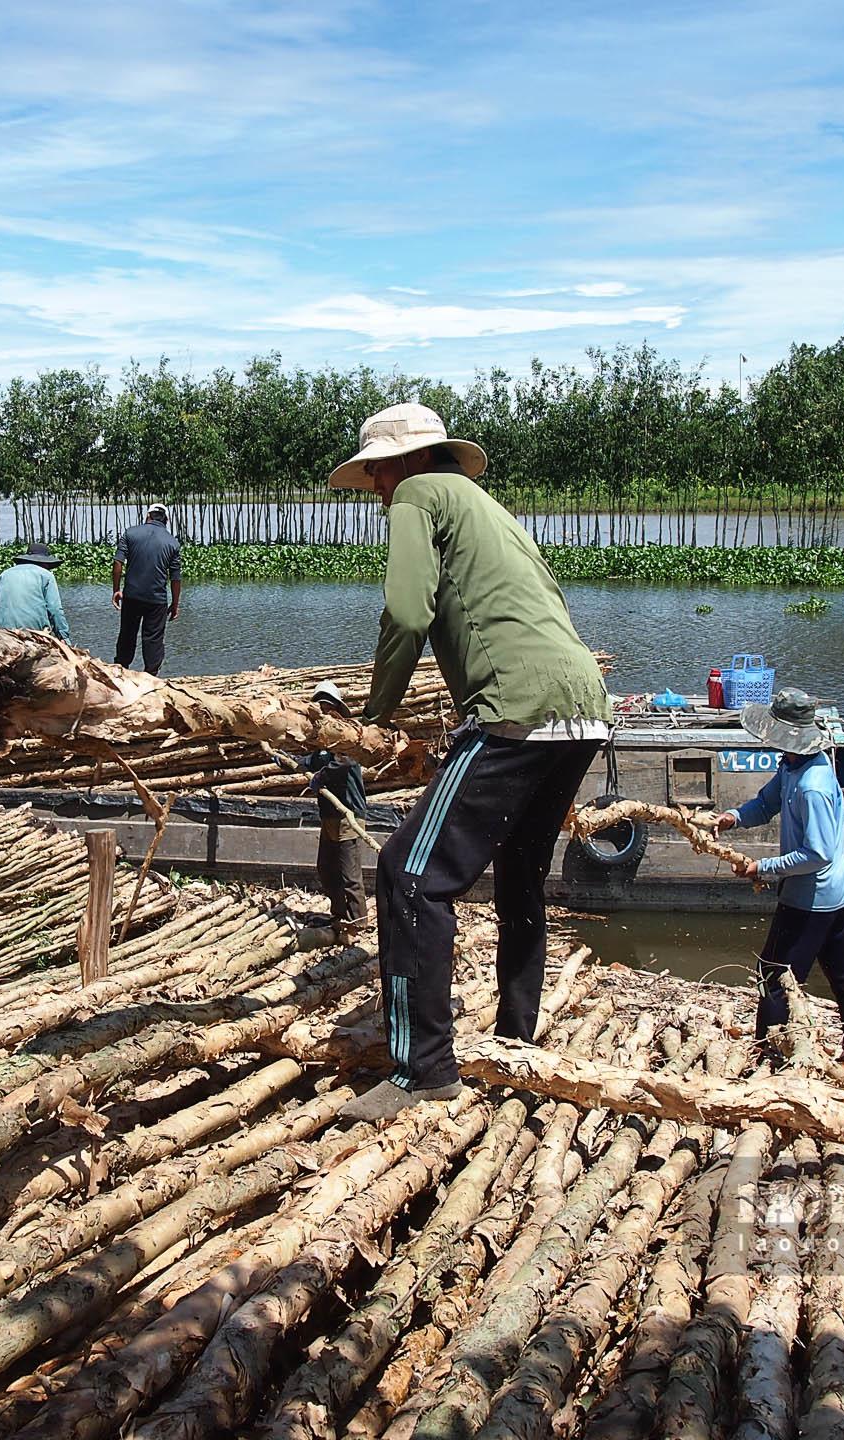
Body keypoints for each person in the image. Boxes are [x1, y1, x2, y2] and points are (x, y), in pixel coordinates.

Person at [331, 402, 610, 1122]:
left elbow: (407, 614)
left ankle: (422, 1070)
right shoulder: (489, 506)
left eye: (379, 477)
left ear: (407, 462)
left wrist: (374, 717)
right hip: (584, 705)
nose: (379, 493)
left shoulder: (421, 495)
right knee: (520, 870)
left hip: (516, 710)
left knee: (408, 874)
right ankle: (518, 1034)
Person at [713, 687, 844, 1066]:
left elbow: (816, 854)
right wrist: (733, 817)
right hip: (838, 892)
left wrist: (762, 868)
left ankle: (767, 1056)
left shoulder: (813, 785)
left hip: (812, 898)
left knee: (774, 977)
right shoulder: (793, 766)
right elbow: (766, 803)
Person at [296, 680, 369, 940]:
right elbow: (315, 760)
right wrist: (292, 762)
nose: (324, 710)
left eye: (328, 705)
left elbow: (343, 761)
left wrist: (321, 776)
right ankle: (340, 915)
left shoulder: (347, 734)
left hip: (348, 813)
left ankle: (358, 922)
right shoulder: (324, 739)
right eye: (321, 705)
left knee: (349, 872)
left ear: (337, 708)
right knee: (326, 868)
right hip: (329, 814)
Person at [112, 502, 181, 674]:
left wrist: (116, 589)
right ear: (166, 520)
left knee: (127, 634)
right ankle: (151, 675)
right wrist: (175, 603)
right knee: (153, 639)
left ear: (148, 516)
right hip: (157, 599)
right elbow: (175, 578)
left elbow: (118, 563)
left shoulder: (130, 533)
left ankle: (121, 671)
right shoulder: (172, 543)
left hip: (132, 595)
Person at [0, 542, 70, 640]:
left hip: (5, 633)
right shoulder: (46, 575)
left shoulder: (5, 574)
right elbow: (55, 610)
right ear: (45, 562)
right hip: (34, 634)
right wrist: (64, 638)